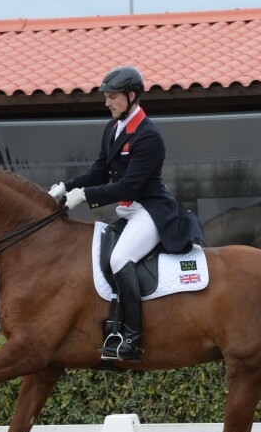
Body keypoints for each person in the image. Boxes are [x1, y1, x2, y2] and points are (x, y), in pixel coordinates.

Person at [49, 65, 205, 362]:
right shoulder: (113, 128)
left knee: (120, 259)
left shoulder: (148, 136)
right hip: (130, 211)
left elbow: (130, 185)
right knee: (101, 255)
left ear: (132, 96)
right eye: (106, 97)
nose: (107, 103)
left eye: (112, 97)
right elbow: (98, 172)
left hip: (151, 211)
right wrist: (65, 187)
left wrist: (85, 196)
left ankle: (131, 338)